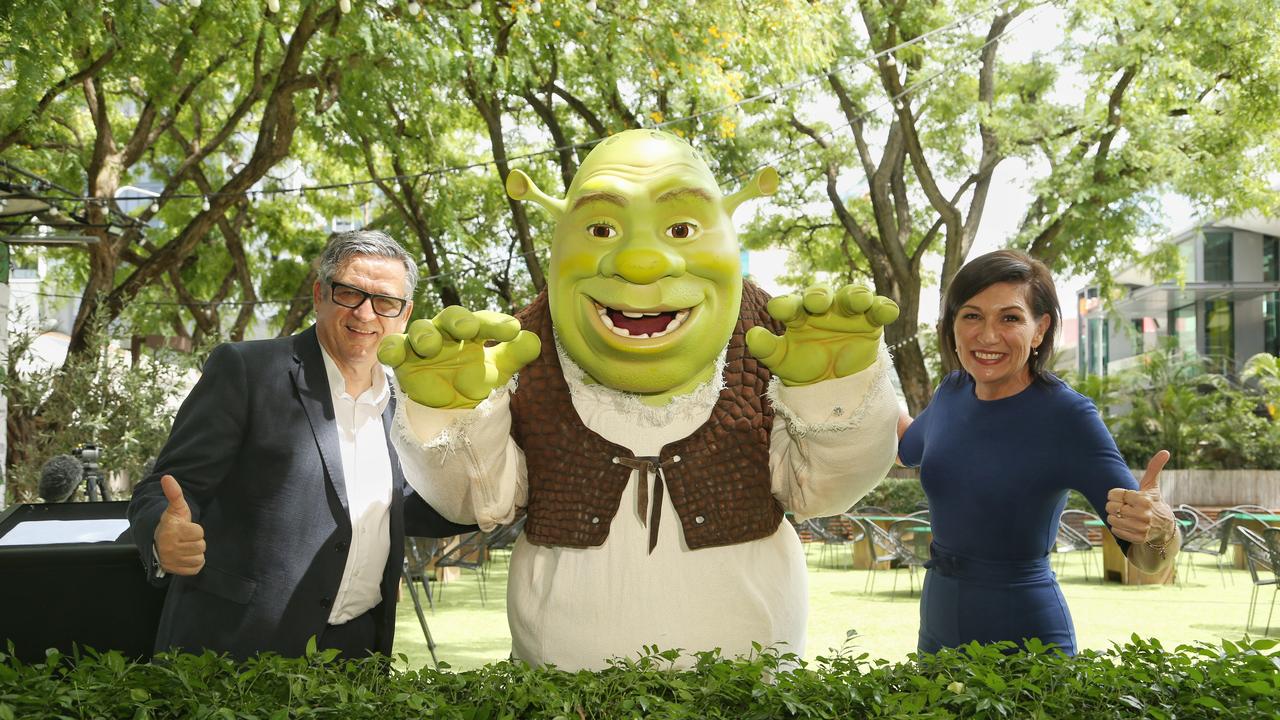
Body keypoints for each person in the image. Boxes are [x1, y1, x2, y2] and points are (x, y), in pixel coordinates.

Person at [381, 129, 902, 670]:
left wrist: (833, 390)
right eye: (602, 228)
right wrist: (450, 412)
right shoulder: (516, 352)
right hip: (566, 693)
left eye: (680, 228)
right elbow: (477, 501)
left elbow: (826, 491)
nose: (641, 263)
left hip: (746, 687)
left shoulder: (778, 341)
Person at [127, 230, 474, 661]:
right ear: (320, 294)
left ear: (405, 314)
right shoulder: (247, 371)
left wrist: (492, 498)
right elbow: (164, 487)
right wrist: (162, 534)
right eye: (350, 293)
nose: (366, 314)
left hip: (357, 652)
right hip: (236, 651)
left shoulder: (404, 401)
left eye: (385, 301)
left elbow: (404, 506)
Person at [897, 249, 1179, 656]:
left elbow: (1148, 559)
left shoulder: (1067, 416)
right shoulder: (950, 392)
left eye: (1010, 318)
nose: (988, 335)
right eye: (972, 316)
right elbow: (905, 447)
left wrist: (1160, 528)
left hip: (1025, 634)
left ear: (1039, 329)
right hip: (937, 626)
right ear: (952, 326)